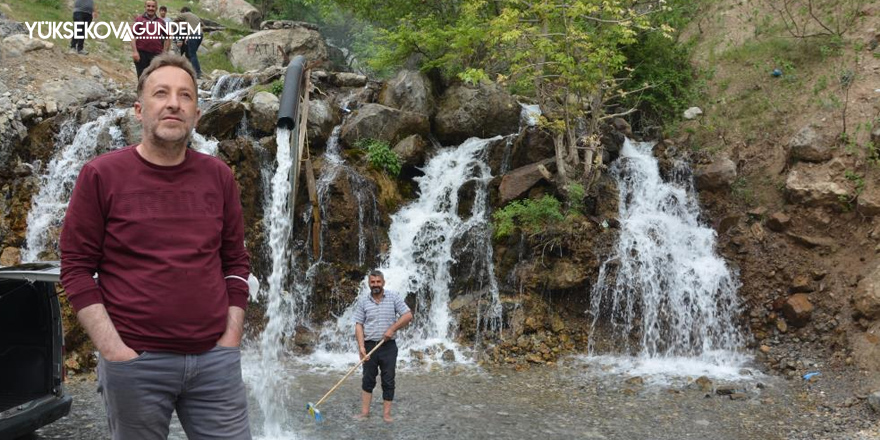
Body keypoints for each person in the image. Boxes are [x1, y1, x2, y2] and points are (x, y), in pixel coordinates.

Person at [59, 53, 252, 440]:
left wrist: (230, 339)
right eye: (160, 93)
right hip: (135, 363)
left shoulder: (219, 176)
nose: (173, 103)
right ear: (139, 109)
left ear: (196, 114)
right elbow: (76, 269)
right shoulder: (101, 175)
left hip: (214, 362)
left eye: (184, 96)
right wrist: (114, 351)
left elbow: (235, 262)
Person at [353, 270, 413, 422]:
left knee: (388, 379)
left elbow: (408, 315)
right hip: (369, 345)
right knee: (367, 379)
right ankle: (365, 412)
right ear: (369, 283)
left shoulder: (393, 297)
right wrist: (361, 347)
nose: (375, 285)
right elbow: (359, 325)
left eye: (378, 282)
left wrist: (392, 329)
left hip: (388, 347)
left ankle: (386, 414)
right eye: (372, 282)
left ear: (383, 283)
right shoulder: (363, 301)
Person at [130, 0, 169, 78]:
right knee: (142, 77)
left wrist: (164, 53)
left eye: (153, 6)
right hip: (141, 54)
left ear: (156, 8)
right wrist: (135, 52)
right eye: (148, 6)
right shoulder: (139, 20)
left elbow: (167, 38)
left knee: (154, 78)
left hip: (156, 55)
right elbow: (132, 35)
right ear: (145, 7)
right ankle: (141, 90)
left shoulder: (161, 22)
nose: (150, 8)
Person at [175, 7, 203, 78]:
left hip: (193, 35)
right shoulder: (195, 17)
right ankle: (192, 70)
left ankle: (197, 72)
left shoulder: (186, 14)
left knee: (192, 54)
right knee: (191, 54)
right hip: (200, 35)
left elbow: (177, 18)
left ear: (184, 11)